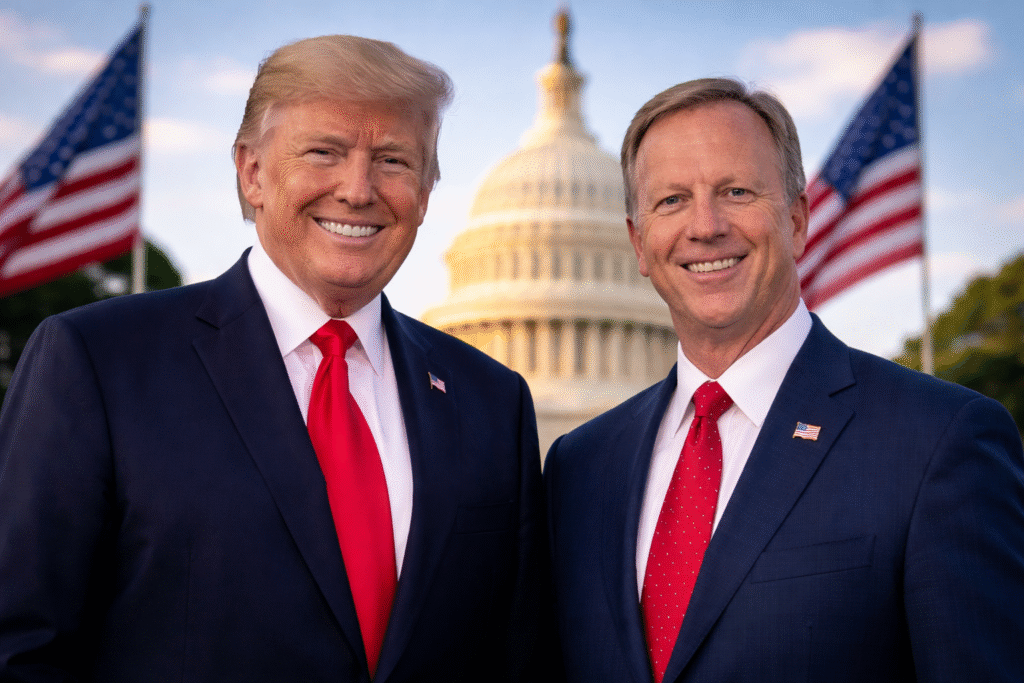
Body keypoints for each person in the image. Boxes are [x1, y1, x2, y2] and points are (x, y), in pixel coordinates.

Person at [0, 35, 556, 682]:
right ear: (253, 171)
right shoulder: (98, 363)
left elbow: (520, 657)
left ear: (428, 193)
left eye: (394, 160)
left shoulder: (490, 401)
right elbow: (19, 646)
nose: (358, 189)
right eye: (324, 152)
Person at [544, 77, 1024, 683]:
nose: (706, 226)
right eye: (671, 201)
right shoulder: (581, 467)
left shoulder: (938, 442)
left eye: (737, 191)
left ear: (797, 221)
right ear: (639, 244)